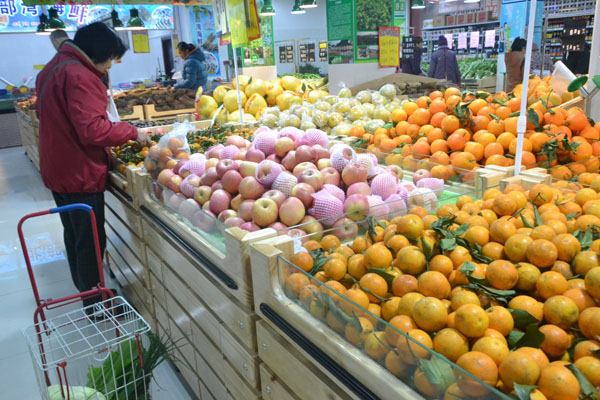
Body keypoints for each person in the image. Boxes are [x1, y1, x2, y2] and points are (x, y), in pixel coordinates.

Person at [35, 22, 150, 310]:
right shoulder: (79, 75)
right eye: (111, 58)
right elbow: (93, 131)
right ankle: (97, 305)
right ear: (98, 52)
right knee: (91, 241)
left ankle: (85, 292)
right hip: (79, 171)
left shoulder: (53, 68)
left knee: (75, 234)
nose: (110, 65)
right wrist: (132, 132)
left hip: (57, 166)